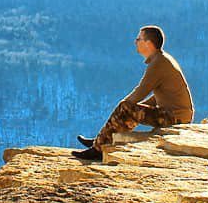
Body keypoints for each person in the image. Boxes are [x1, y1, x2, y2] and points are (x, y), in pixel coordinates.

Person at [72, 25, 194, 161]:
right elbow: (161, 95)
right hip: (178, 115)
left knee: (125, 107)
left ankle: (98, 148)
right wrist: (135, 109)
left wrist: (124, 107)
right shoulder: (162, 60)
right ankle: (102, 140)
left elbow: (140, 92)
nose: (135, 42)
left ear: (148, 44)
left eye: (138, 39)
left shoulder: (158, 64)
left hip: (174, 118)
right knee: (129, 109)